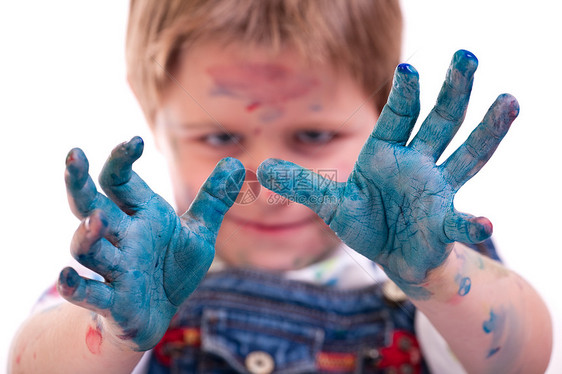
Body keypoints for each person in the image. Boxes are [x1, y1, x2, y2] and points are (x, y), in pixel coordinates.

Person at [8, 1, 552, 373]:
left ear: (385, 103)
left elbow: (525, 358)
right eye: (220, 134)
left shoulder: (431, 252)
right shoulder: (129, 271)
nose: (267, 180)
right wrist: (117, 333)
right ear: (153, 110)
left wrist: (435, 277)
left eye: (314, 134)